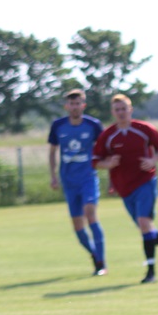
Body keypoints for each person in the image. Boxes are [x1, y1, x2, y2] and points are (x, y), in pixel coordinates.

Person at [92, 94, 158, 283]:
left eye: (124, 109)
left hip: (146, 182)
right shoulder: (108, 136)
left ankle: (151, 271)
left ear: (130, 110)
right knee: (144, 228)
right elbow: (95, 161)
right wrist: (108, 163)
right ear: (112, 112)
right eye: (117, 110)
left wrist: (153, 160)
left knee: (144, 223)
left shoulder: (144, 129)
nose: (121, 112)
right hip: (124, 188)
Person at [48, 89, 106, 275]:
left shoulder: (93, 125)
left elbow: (104, 149)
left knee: (90, 214)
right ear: (67, 106)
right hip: (69, 180)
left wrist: (108, 170)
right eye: (71, 104)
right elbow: (52, 152)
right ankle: (95, 256)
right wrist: (53, 176)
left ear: (83, 105)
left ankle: (102, 263)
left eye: (78, 103)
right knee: (77, 226)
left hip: (88, 177)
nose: (74, 107)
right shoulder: (58, 126)